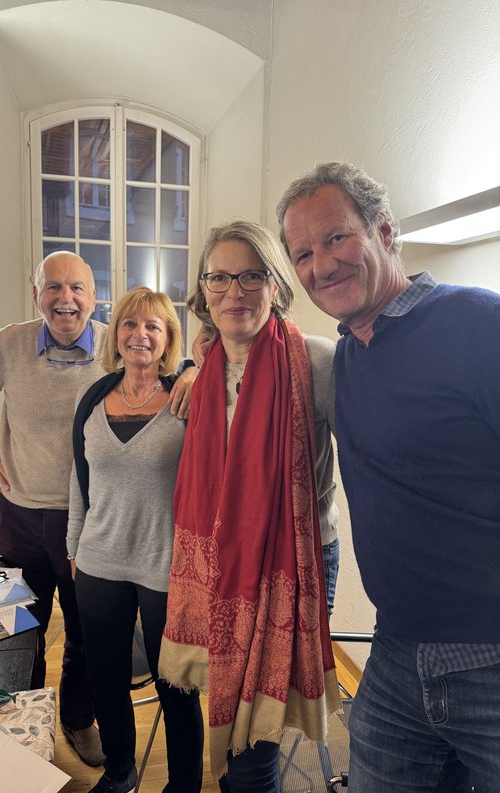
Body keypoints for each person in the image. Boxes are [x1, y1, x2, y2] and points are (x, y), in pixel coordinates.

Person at [277, 161, 500, 793]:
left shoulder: (479, 324)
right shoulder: (346, 354)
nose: (321, 266)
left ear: (384, 230)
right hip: (397, 652)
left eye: (336, 238)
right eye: (303, 254)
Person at [0, 251, 194, 766]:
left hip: (86, 519)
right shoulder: (7, 345)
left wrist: (193, 369)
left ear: (93, 297)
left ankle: (78, 718)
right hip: (19, 513)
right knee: (18, 629)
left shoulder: (116, 344)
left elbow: (168, 362)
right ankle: (20, 726)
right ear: (36, 293)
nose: (65, 299)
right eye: (53, 287)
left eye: (77, 288)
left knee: (87, 640)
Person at [158, 220, 341, 792]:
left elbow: (371, 456)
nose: (234, 292)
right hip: (216, 566)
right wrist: (192, 364)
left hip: (293, 564)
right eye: (219, 278)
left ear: (276, 285)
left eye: (251, 276)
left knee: (255, 740)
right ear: (203, 290)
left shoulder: (317, 361)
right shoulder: (198, 371)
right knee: (232, 711)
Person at [67, 286, 204, 793]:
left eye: (152, 325)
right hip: (99, 560)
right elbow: (78, 479)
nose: (139, 334)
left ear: (167, 339)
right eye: (129, 323)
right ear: (116, 334)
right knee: (106, 680)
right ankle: (120, 771)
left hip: (165, 564)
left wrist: (194, 367)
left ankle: (183, 784)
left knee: (176, 687)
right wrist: (74, 547)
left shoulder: (186, 398)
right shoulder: (92, 399)